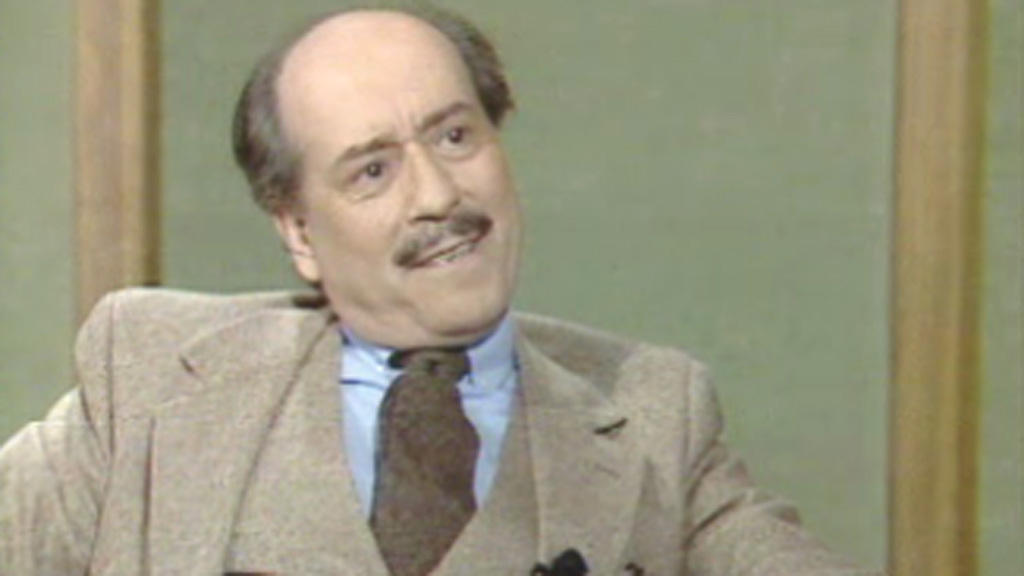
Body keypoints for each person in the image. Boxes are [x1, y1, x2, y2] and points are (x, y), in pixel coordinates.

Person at [0, 4, 880, 575]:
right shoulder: (155, 376)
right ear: (299, 231)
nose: (437, 195)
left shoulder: (652, 412)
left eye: (456, 137)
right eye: (373, 170)